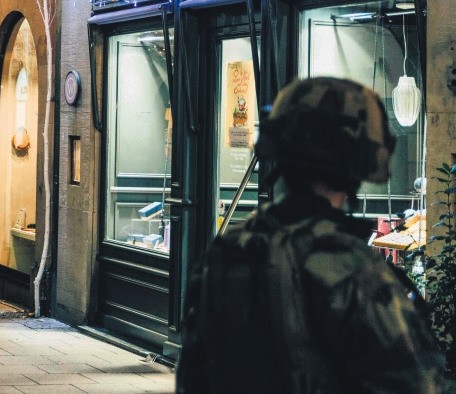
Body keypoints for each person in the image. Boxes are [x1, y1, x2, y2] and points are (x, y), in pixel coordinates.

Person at [175, 77, 446, 393]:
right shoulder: (352, 270)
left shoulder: (225, 252)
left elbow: (192, 378)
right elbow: (416, 384)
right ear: (359, 157)